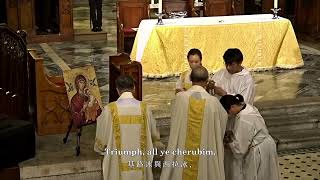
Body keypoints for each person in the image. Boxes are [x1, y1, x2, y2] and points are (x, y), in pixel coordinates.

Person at [161, 66, 228, 180]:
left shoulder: (180, 98)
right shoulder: (213, 102)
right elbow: (221, 124)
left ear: (191, 79)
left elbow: (175, 120)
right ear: (207, 81)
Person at [94, 75, 162, 180]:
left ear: (117, 90)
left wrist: (100, 148)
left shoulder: (109, 110)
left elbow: (102, 139)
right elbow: (153, 134)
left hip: (117, 165)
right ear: (134, 88)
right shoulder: (144, 108)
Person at [220, 94, 279, 180]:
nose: (229, 115)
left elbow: (240, 149)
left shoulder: (244, 118)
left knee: (259, 176)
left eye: (228, 112)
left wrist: (228, 144)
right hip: (266, 144)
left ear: (232, 106)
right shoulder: (247, 107)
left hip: (259, 150)